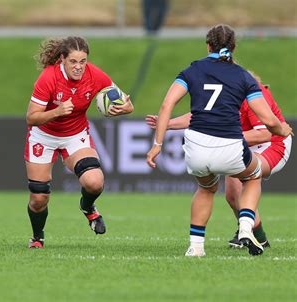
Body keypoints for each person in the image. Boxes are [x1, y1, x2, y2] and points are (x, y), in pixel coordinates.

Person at [145, 24, 293, 257]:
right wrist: (282, 128)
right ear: (233, 47)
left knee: (206, 188)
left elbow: (167, 105)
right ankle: (246, 228)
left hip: (196, 145)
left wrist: (157, 144)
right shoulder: (243, 76)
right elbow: (268, 120)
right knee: (253, 177)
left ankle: (196, 247)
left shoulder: (193, 70)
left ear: (207, 46)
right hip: (231, 145)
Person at [25, 36, 134, 248]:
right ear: (62, 59)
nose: (78, 67)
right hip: (43, 136)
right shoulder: (48, 78)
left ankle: (88, 208)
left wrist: (124, 109)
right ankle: (38, 237)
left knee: (94, 182)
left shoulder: (95, 75)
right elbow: (31, 117)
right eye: (73, 61)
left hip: (75, 135)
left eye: (82, 61)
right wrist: (56, 111)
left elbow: (126, 103)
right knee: (38, 199)